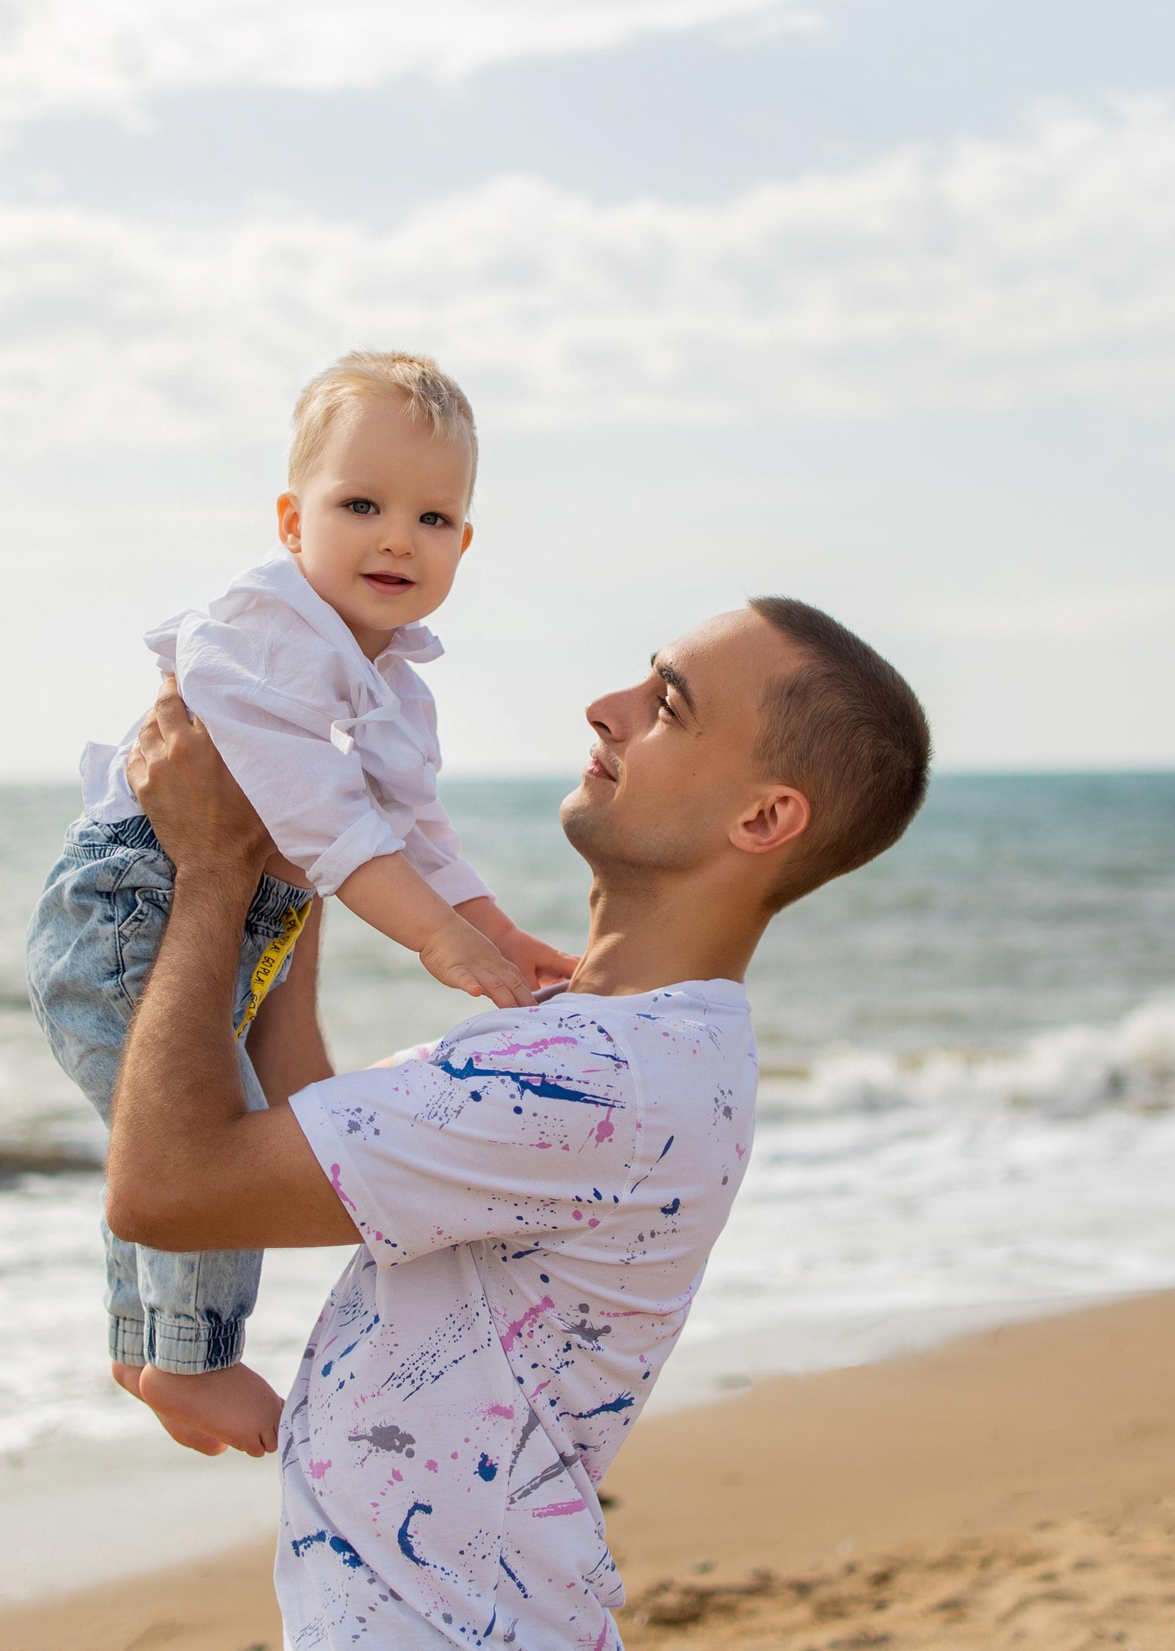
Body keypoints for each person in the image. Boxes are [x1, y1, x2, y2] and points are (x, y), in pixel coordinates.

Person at [107, 597, 931, 1649]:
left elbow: (170, 1189)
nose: (605, 706)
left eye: (666, 705)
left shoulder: (590, 1079)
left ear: (763, 819)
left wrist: (212, 869)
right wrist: (295, 849)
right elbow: (302, 1138)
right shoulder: (632, 1046)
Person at [28, 351, 575, 1459]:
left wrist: (497, 929)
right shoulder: (274, 631)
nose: (395, 538)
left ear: (464, 545)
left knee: (178, 1123)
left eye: (433, 516)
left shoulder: (393, 686)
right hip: (132, 909)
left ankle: (147, 1346)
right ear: (292, 519)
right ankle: (195, 1358)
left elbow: (416, 825)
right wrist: (437, 937)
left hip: (205, 919)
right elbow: (327, 826)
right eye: (359, 504)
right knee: (207, 1134)